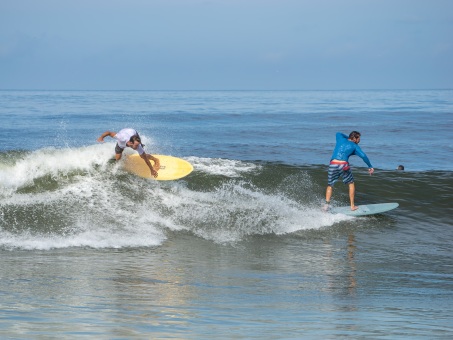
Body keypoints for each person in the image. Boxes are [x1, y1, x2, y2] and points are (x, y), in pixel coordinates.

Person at [325, 131, 374, 211]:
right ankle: (352, 206)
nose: (359, 140)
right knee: (351, 184)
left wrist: (347, 137)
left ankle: (326, 205)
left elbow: (338, 133)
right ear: (354, 138)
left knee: (330, 185)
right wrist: (370, 166)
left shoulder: (340, 139)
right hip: (343, 165)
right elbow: (363, 156)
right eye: (358, 138)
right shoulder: (355, 146)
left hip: (333, 164)